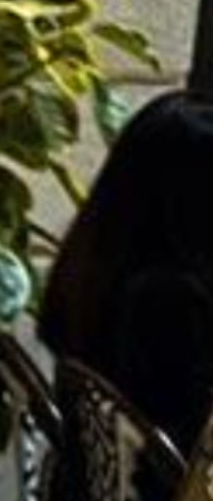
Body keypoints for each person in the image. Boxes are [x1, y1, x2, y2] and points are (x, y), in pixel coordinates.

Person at [36, 87, 213, 462]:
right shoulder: (166, 300)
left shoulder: (98, 264)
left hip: (97, 488)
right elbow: (191, 443)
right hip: (164, 491)